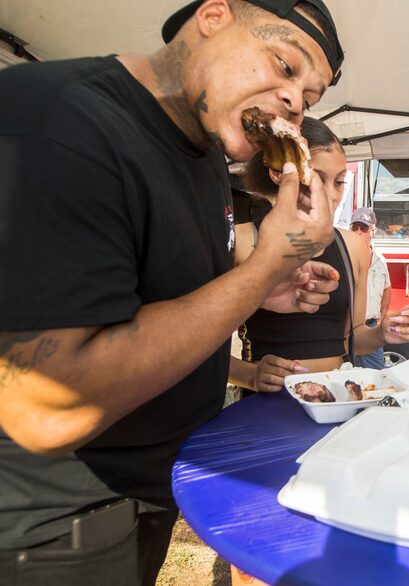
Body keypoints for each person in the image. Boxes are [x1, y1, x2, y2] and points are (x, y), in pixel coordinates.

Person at [0, 1, 345, 583]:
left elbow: (149, 298)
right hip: (54, 525)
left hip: (150, 493)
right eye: (286, 64)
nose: (294, 101)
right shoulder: (57, 115)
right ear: (213, 17)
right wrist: (260, 269)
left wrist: (264, 290)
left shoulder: (208, 152)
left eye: (310, 97)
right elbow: (45, 409)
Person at [229, 122, 409, 393]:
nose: (331, 195)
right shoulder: (245, 239)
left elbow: (350, 339)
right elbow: (198, 346)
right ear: (277, 173)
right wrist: (250, 374)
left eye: (340, 181)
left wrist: (380, 334)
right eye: (315, 179)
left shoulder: (353, 247)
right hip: (266, 404)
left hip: (337, 398)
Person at [349, 207, 393, 369]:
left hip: (371, 326)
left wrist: (383, 316)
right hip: (346, 329)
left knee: (375, 376)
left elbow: (387, 288)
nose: (359, 232)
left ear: (373, 230)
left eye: (364, 228)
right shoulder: (343, 257)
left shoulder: (380, 261)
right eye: (355, 228)